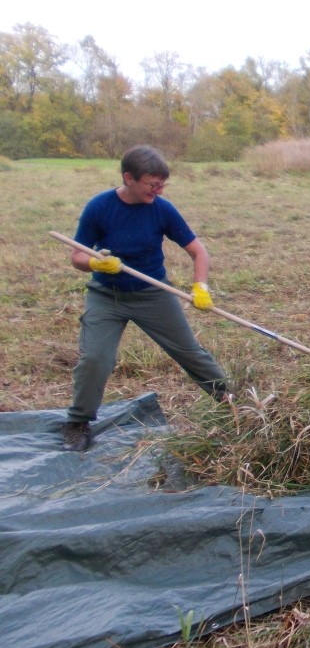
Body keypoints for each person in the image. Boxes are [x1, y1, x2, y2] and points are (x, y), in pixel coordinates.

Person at [61, 144, 231, 453]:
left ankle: (234, 402)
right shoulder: (99, 207)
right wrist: (96, 263)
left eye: (162, 184)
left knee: (190, 352)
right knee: (95, 359)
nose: (159, 189)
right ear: (129, 178)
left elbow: (198, 251)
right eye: (152, 184)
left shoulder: (161, 208)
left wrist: (200, 286)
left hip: (153, 294)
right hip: (106, 297)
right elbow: (77, 256)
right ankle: (77, 423)